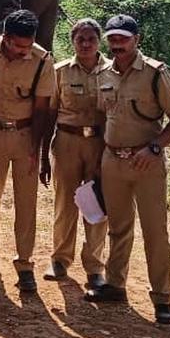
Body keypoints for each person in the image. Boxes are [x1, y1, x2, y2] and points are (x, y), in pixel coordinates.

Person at [84, 14, 170, 325]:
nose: (117, 44)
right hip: (113, 160)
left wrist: (155, 147)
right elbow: (106, 118)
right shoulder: (105, 74)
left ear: (136, 40)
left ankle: (162, 299)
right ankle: (116, 285)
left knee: (155, 232)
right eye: (112, 39)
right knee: (118, 227)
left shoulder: (156, 73)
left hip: (146, 164)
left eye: (123, 38)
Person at [0, 10, 56, 292]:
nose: (24, 51)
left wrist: (37, 149)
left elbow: (43, 109)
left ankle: (24, 264)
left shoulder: (42, 60)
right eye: (19, 45)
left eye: (28, 45)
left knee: (25, 202)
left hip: (25, 136)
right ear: (6, 38)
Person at [39, 19, 111, 289]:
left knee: (97, 205)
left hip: (99, 144)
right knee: (65, 204)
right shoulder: (59, 72)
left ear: (99, 41)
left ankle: (94, 267)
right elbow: (49, 114)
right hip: (67, 142)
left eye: (91, 39)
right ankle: (60, 260)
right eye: (80, 39)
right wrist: (44, 154)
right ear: (73, 41)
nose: (85, 44)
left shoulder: (112, 72)